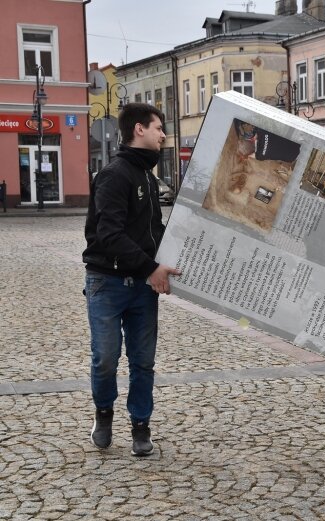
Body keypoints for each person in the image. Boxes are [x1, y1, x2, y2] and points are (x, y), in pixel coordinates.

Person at [82, 103, 181, 457]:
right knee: (105, 358)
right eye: (158, 128)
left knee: (142, 361)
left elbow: (153, 232)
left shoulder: (148, 178)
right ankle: (104, 414)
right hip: (106, 283)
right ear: (139, 129)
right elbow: (108, 235)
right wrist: (149, 268)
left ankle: (141, 426)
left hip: (141, 287)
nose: (163, 134)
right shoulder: (114, 175)